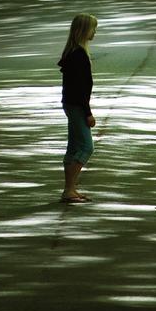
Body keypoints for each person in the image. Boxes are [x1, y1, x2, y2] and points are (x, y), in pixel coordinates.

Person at [58, 13, 98, 203]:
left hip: (70, 103)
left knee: (74, 147)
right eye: (92, 29)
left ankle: (70, 189)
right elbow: (80, 89)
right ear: (83, 30)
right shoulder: (78, 55)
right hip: (76, 105)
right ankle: (68, 189)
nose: (94, 33)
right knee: (86, 147)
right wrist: (88, 113)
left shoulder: (73, 52)